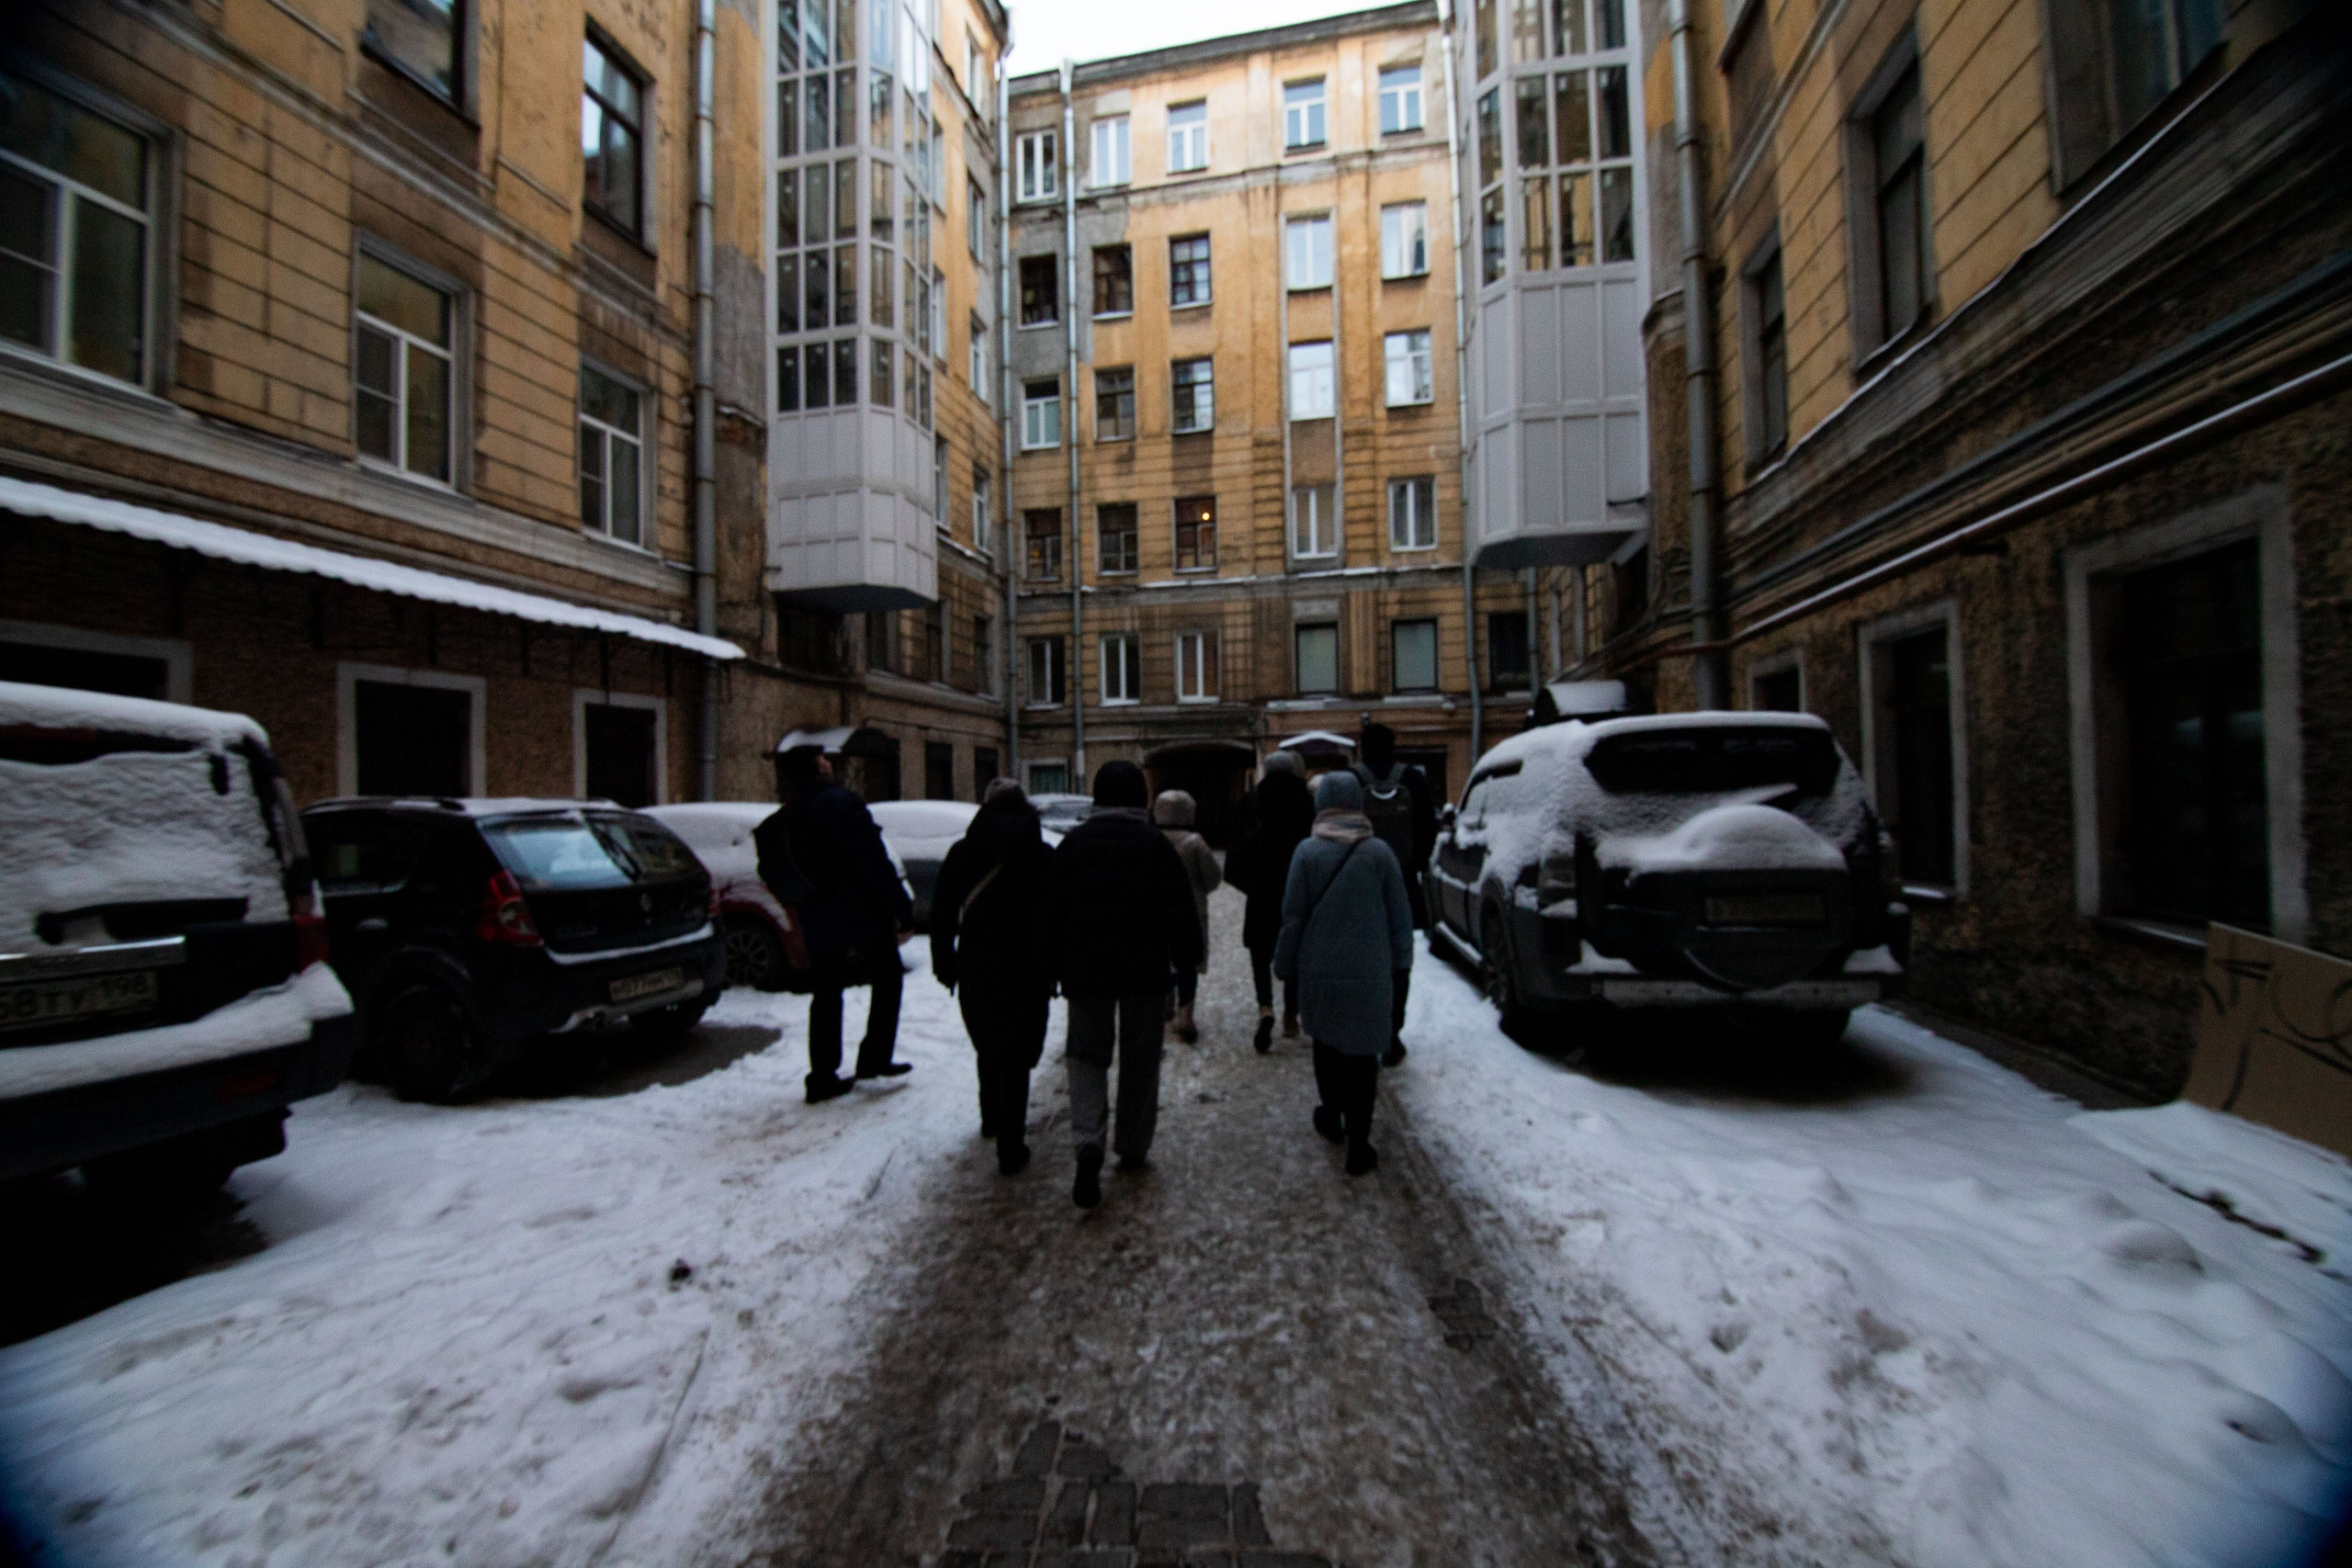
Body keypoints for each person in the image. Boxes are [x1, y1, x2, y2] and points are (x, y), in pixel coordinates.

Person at [1049, 760, 1203, 1209]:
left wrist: (1051, 965)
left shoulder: (1073, 845)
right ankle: (1133, 1145)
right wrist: (1187, 958)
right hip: (1144, 973)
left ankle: (1088, 1143)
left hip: (1086, 972)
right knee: (1140, 1059)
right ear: (1140, 799)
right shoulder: (1156, 846)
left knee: (1086, 1056)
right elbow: (1180, 911)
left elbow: (1050, 912)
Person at [1273, 771, 1414, 1177]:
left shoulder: (1306, 853)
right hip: (1371, 974)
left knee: (1327, 1045)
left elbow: (1293, 918)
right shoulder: (1380, 854)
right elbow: (1400, 920)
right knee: (1363, 1056)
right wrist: (1401, 965)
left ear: (1320, 805)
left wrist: (1284, 964)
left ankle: (1331, 1115)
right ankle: (1359, 1141)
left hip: (1319, 972)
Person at [755, 747, 913, 1105]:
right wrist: (900, 906)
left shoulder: (789, 813)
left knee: (826, 992)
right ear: (815, 768)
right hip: (862, 910)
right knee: (888, 977)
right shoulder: (843, 803)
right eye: (822, 759)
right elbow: (874, 859)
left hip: (818, 913)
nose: (828, 762)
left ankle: (822, 1076)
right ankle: (875, 1057)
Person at [930, 780, 1057, 1175]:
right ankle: (1010, 1146)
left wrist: (944, 963)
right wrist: (1055, 965)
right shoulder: (1041, 855)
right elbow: (1056, 915)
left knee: (988, 1043)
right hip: (1028, 966)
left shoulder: (963, 852)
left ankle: (990, 1117)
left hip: (977, 963)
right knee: (1017, 1056)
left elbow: (942, 914)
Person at [1351, 723, 1437, 1067]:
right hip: (1403, 882)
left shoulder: (1353, 780)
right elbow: (1429, 828)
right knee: (1399, 960)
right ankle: (1392, 1034)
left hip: (1362, 885)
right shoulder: (1412, 779)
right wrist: (1415, 865)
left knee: (1364, 960)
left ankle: (1366, 1027)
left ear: (1363, 747)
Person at [1228, 751, 1314, 1053]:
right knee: (1295, 950)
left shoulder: (1253, 800)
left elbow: (1235, 848)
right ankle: (1291, 1012)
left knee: (1260, 951)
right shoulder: (1304, 800)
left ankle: (1265, 1006)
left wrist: (1249, 884)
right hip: (1295, 886)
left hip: (1261, 887)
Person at [1154, 789, 1222, 1045]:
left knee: (1162, 955)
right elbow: (1213, 878)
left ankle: (1165, 1002)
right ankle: (1186, 1013)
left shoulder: (1152, 839)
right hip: (1190, 911)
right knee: (1188, 961)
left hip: (1157, 909)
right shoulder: (1195, 843)